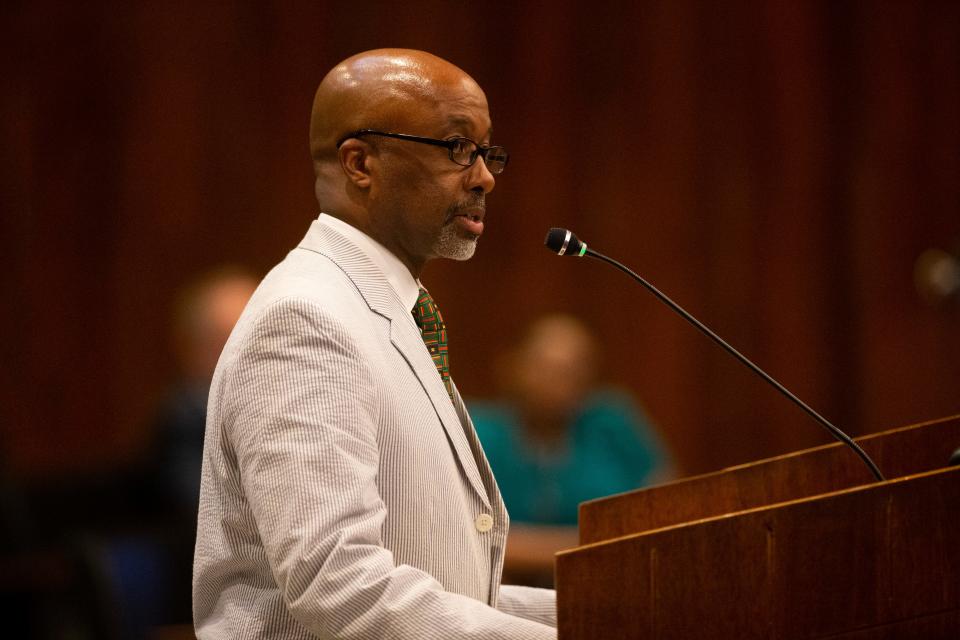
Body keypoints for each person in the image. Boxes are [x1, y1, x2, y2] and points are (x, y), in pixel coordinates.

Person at [193, 49, 557, 639]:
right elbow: (339, 585)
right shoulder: (306, 319)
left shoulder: (385, 308)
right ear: (360, 163)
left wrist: (615, 616)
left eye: (487, 152)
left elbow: (449, 586)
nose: (485, 175)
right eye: (458, 147)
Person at [471, 314, 673, 585]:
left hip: (612, 583)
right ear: (513, 367)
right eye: (546, 368)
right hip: (504, 591)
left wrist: (528, 547)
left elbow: (666, 515)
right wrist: (590, 544)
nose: (559, 382)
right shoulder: (480, 430)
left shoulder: (612, 424)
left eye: (574, 370)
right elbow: (469, 538)